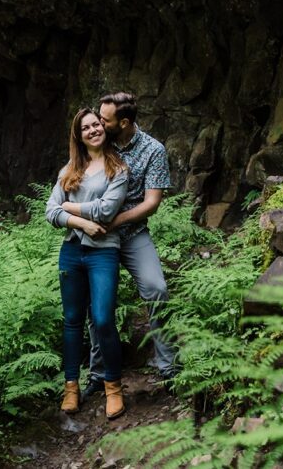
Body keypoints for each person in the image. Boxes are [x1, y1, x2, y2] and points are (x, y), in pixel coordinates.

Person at [84, 91, 178, 400]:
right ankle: (97, 374)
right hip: (98, 235)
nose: (98, 123)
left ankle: (169, 367)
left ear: (123, 123)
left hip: (133, 233)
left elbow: (152, 203)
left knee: (157, 288)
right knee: (97, 305)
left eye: (105, 119)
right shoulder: (98, 142)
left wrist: (117, 220)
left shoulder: (153, 150)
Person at [45, 108, 129, 419]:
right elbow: (50, 212)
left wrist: (69, 207)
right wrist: (82, 224)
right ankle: (71, 388)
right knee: (72, 321)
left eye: (96, 124)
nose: (93, 130)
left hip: (103, 252)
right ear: (78, 136)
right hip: (71, 251)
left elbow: (107, 211)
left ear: (103, 128)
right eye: (86, 128)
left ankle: (113, 387)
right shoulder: (69, 169)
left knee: (104, 318)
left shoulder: (117, 169)